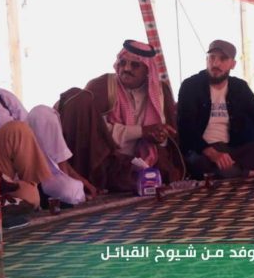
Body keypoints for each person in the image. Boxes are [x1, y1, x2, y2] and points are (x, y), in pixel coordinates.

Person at [58, 40, 184, 192]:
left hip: (146, 158)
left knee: (165, 176)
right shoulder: (101, 86)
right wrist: (142, 131)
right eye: (123, 63)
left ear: (147, 70)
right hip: (110, 157)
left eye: (135, 65)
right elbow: (94, 134)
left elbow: (168, 136)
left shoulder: (160, 91)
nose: (126, 69)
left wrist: (160, 137)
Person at [0, 45, 94, 209]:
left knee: (42, 114)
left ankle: (40, 188)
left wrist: (73, 175)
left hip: (15, 176)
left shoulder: (5, 98)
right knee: (16, 131)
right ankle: (34, 193)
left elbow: (32, 140)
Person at [177, 39, 254, 178]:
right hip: (202, 150)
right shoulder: (190, 86)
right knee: (200, 164)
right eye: (212, 57)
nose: (215, 63)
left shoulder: (239, 87)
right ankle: (252, 173)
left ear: (233, 64)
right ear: (206, 59)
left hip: (232, 150)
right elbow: (186, 128)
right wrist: (211, 152)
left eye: (223, 59)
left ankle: (236, 170)